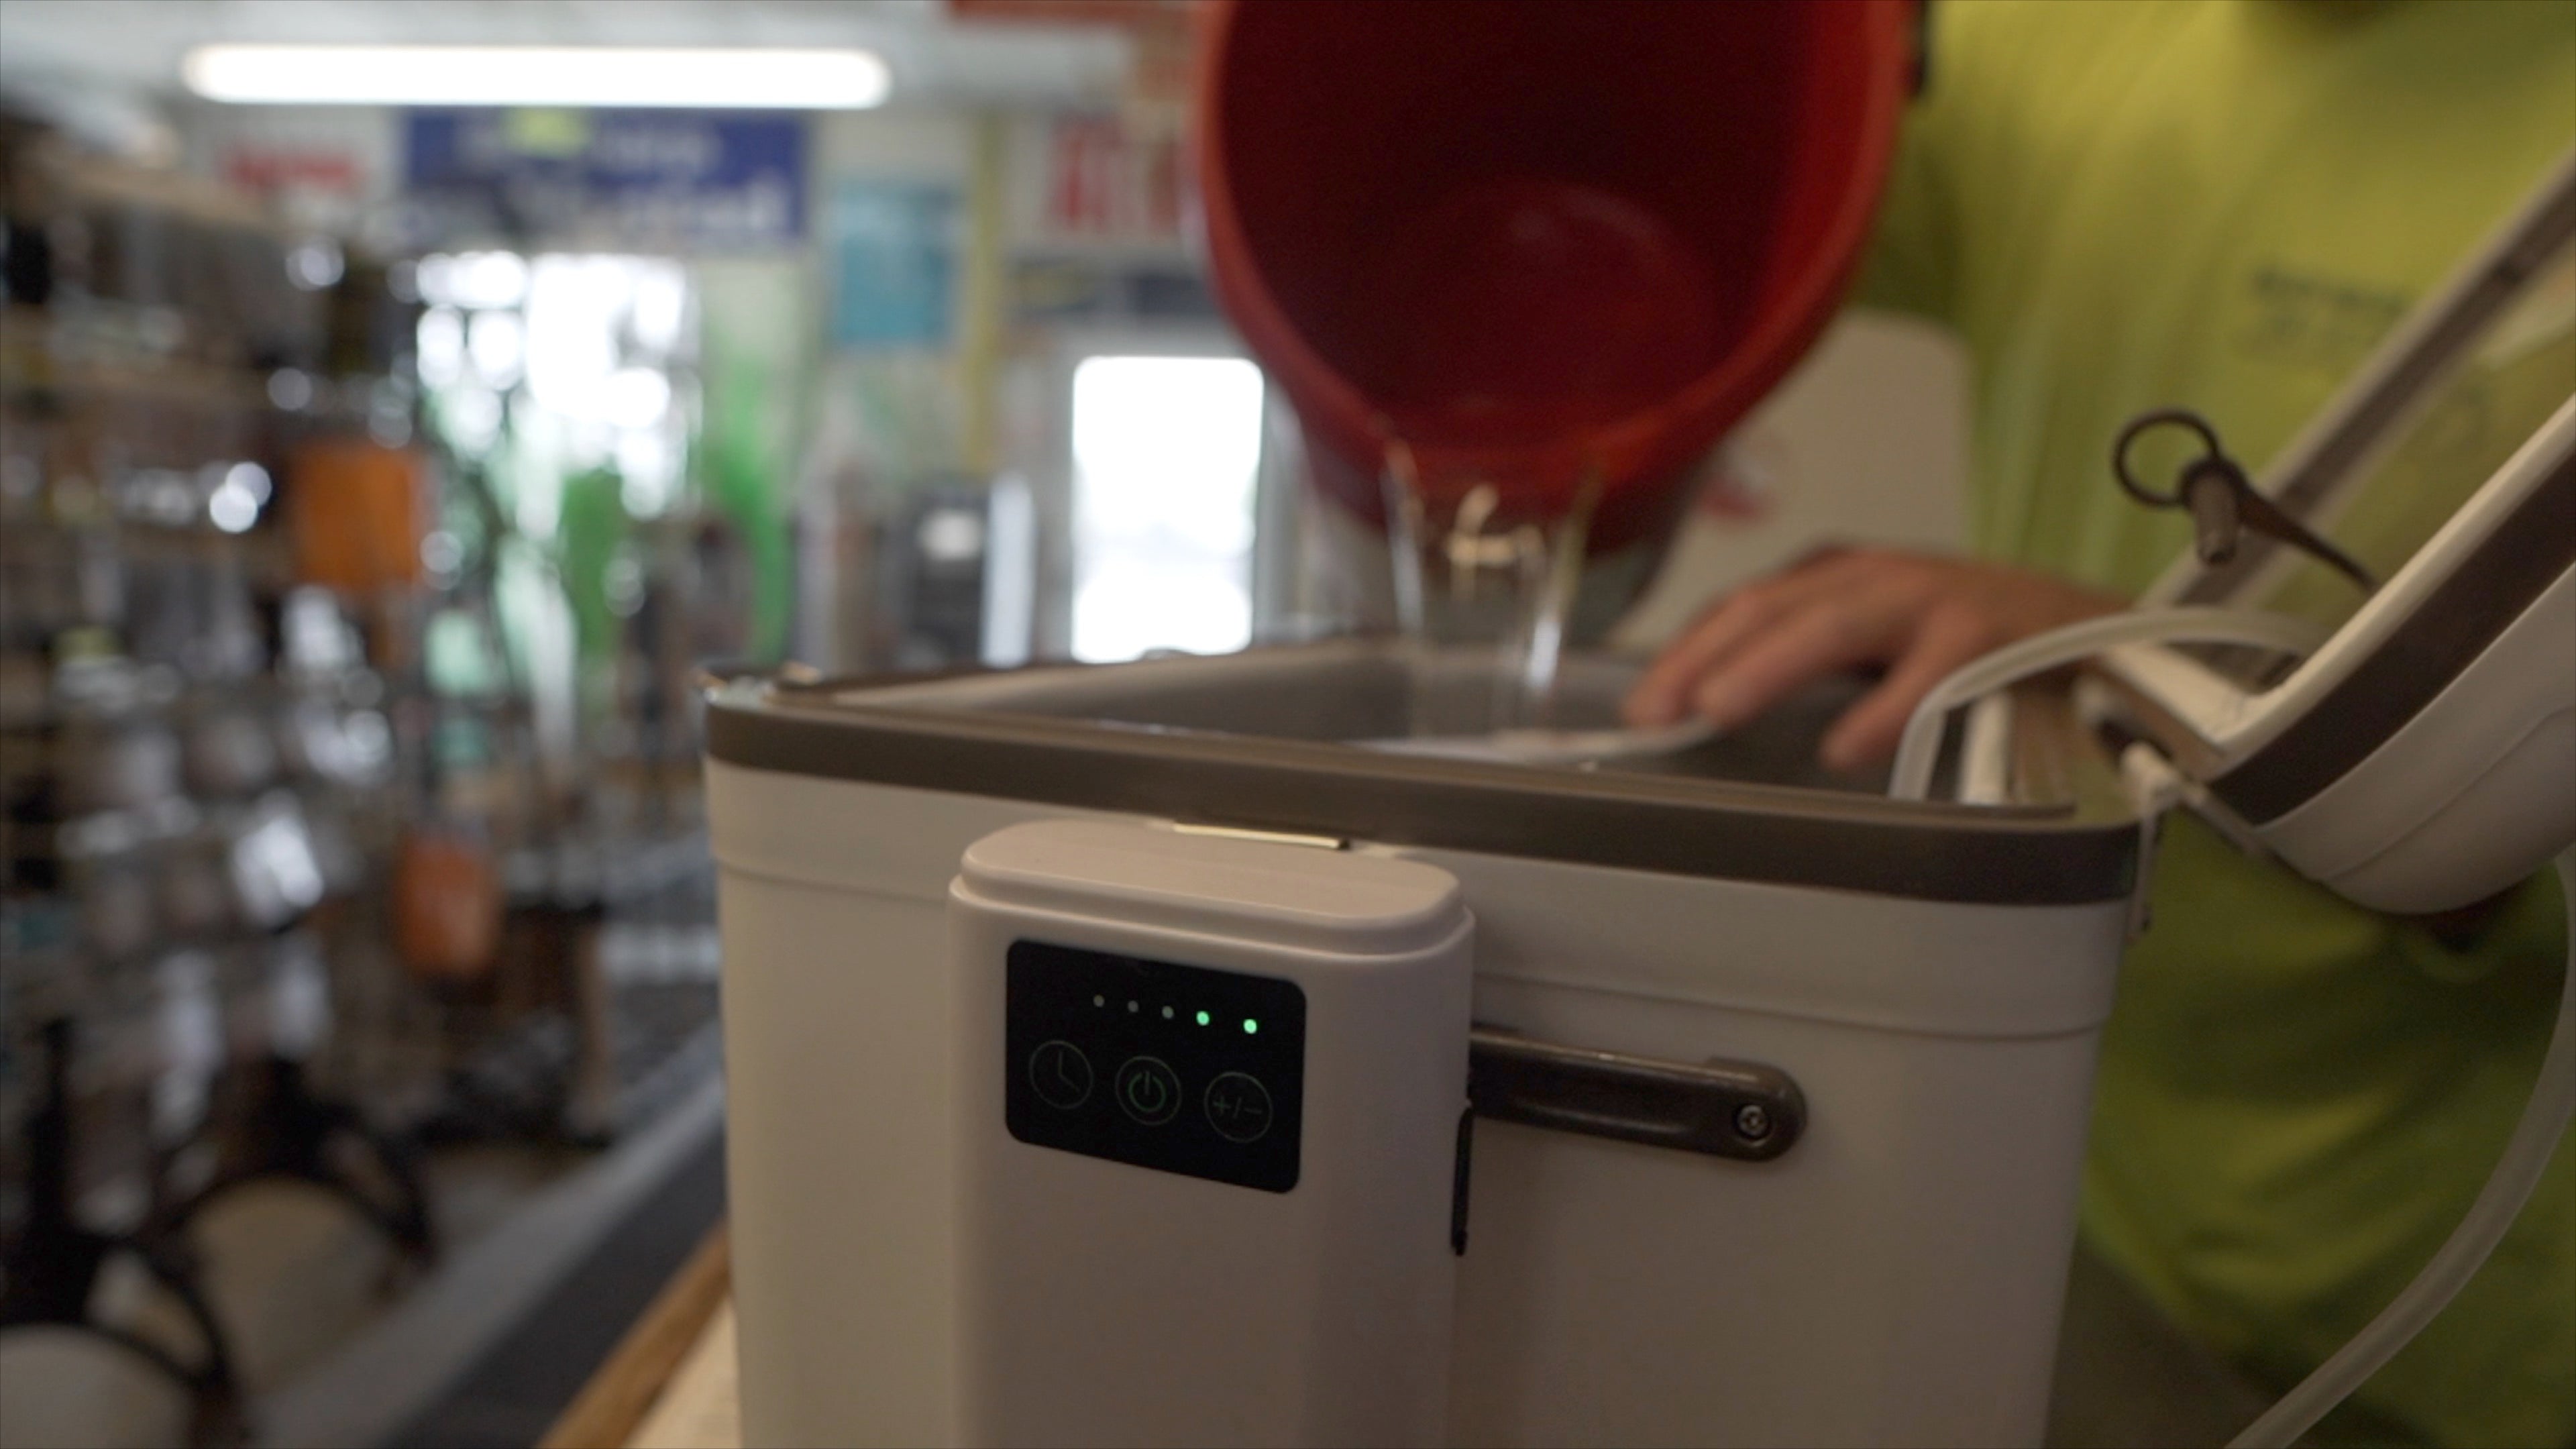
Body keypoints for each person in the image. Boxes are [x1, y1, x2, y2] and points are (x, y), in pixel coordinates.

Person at [1624, 2, 2575, 1444]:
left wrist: (2146, 659)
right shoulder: (2049, 41)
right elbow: (1667, 190)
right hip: (2055, 1200)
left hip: (2441, 1289)